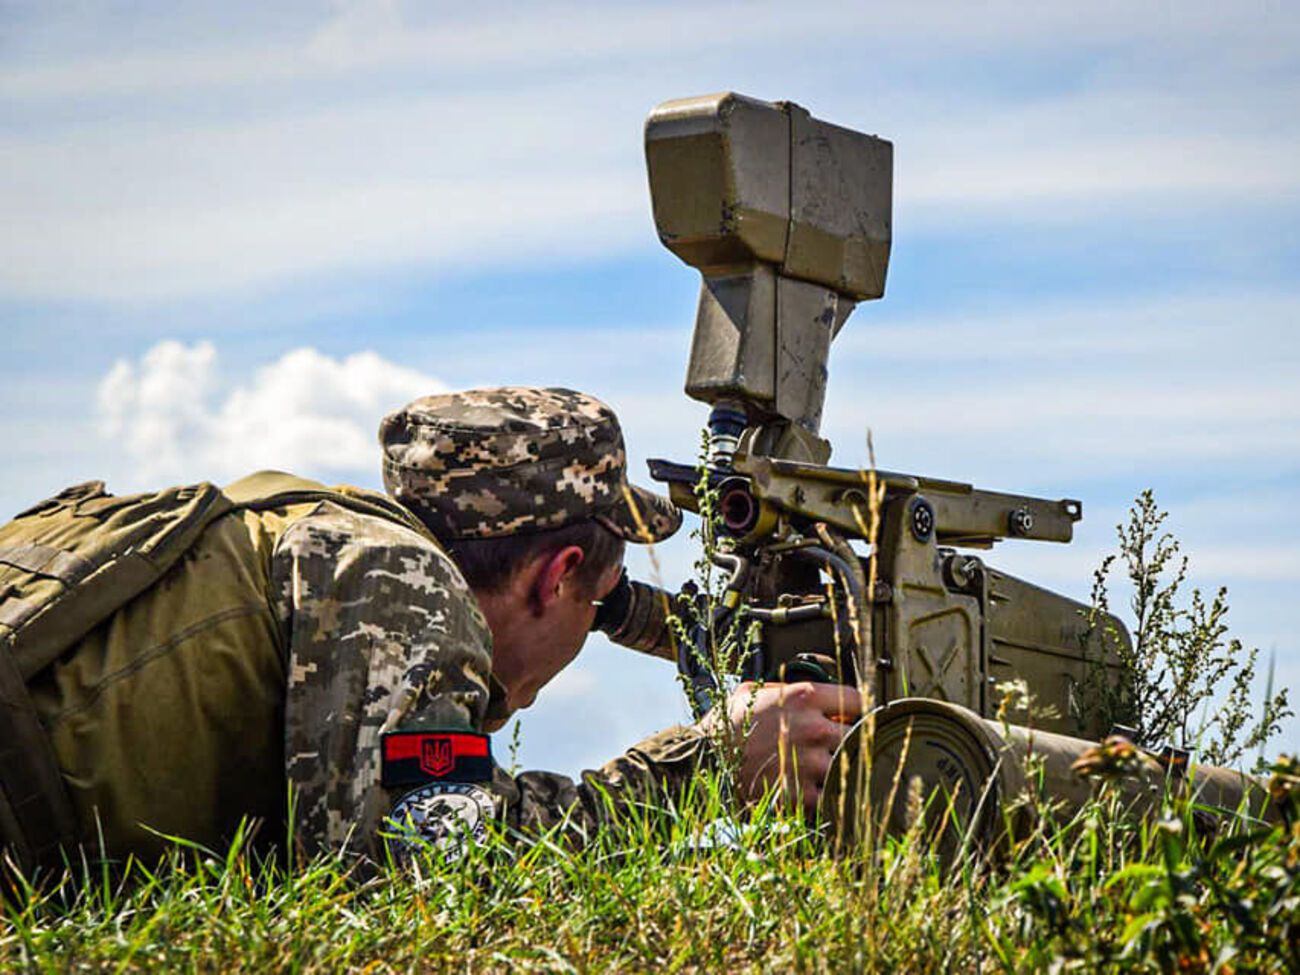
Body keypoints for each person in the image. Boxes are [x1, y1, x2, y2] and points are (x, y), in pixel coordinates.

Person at [15, 386, 861, 867]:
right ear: (557, 574)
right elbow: (434, 874)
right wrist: (700, 764)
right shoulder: (403, 584)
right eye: (598, 595)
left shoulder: (314, 533)